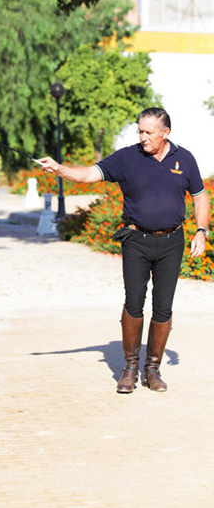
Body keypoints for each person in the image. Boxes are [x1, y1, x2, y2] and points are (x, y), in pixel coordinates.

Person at [37, 107, 209, 393]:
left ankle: (152, 369)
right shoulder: (127, 158)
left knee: (164, 306)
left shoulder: (185, 159)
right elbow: (89, 174)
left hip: (172, 242)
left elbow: (200, 197)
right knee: (134, 302)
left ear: (165, 133)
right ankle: (129, 368)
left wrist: (201, 231)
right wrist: (60, 169)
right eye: (139, 131)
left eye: (148, 132)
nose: (143, 137)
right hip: (136, 241)